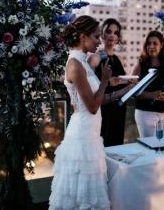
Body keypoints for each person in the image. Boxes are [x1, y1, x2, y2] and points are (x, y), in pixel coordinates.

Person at [49, 15, 112, 210]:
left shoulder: (83, 61)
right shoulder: (75, 64)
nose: (98, 41)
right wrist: (104, 81)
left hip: (91, 133)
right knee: (81, 194)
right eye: (95, 36)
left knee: (86, 191)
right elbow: (93, 107)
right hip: (83, 135)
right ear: (83, 37)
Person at [95, 18, 136, 147]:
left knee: (116, 147)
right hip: (104, 112)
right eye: (109, 31)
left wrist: (126, 81)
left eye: (116, 33)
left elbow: (117, 81)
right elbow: (95, 86)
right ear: (102, 34)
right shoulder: (97, 58)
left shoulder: (116, 59)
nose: (112, 35)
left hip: (118, 110)